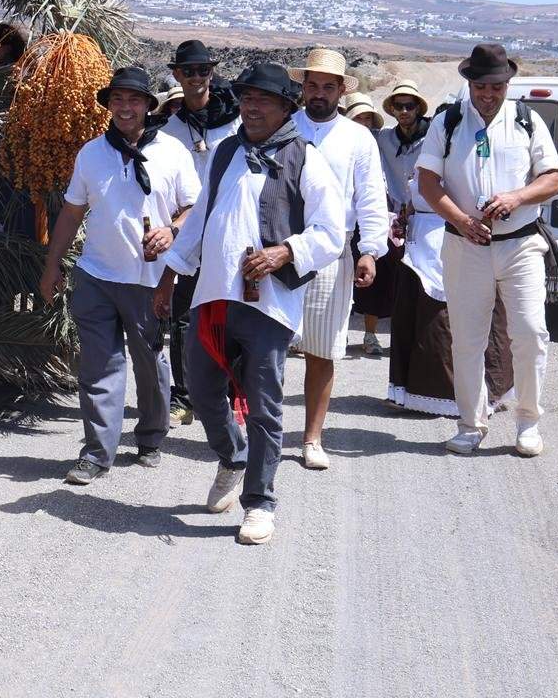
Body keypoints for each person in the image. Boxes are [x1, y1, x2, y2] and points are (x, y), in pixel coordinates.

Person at [158, 63, 346, 545]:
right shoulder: (225, 153)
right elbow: (198, 220)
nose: (252, 106)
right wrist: (169, 276)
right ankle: (233, 456)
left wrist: (285, 251)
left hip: (270, 304)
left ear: (287, 107)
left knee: (264, 406)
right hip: (213, 294)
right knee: (201, 391)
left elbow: (332, 232)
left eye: (264, 99)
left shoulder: (306, 159)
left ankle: (259, 502)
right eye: (246, 98)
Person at [38, 66, 199, 484]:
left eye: (134, 100)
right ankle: (96, 452)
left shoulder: (174, 152)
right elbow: (72, 212)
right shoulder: (91, 153)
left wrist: (172, 230)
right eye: (117, 100)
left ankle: (149, 437)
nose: (125, 107)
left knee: (150, 364)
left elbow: (194, 207)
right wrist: (52, 265)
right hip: (96, 274)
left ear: (149, 105)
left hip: (150, 279)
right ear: (109, 106)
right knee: (98, 365)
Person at [417, 43, 558, 457]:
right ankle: (470, 424)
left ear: (507, 84)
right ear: (470, 83)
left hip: (520, 245)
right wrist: (462, 221)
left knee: (530, 333)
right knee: (466, 339)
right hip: (465, 246)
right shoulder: (446, 123)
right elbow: (429, 182)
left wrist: (517, 198)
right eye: (480, 85)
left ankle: (528, 423)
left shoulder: (527, 121)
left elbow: (553, 179)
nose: (488, 93)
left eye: (496, 86)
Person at [379, 83, 518, 416]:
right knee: (425, 315)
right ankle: (424, 392)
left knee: (461, 315)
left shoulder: (476, 155)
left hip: (461, 238)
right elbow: (420, 192)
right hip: (423, 240)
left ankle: (474, 394)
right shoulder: (426, 150)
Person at [289, 48, 389, 470]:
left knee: (322, 349)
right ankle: (260, 430)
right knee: (265, 347)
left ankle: (312, 437)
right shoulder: (283, 127)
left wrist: (369, 250)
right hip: (280, 250)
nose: (318, 93)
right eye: (312, 85)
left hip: (331, 252)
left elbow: (371, 197)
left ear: (341, 91)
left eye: (328, 86)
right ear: (303, 87)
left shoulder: (358, 138)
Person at [156, 40, 241, 425]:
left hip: (231, 231)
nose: (196, 78)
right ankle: (183, 395)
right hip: (187, 232)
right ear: (176, 75)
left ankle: (226, 392)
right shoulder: (168, 131)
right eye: (187, 71)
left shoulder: (235, 123)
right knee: (183, 315)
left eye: (202, 70)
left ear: (212, 72)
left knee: (230, 313)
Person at [342, 92, 388, 358]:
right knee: (342, 282)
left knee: (371, 284)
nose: (363, 122)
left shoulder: (380, 143)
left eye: (368, 117)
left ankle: (370, 335)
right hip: (347, 221)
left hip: (372, 220)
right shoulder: (338, 141)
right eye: (358, 117)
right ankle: (341, 331)